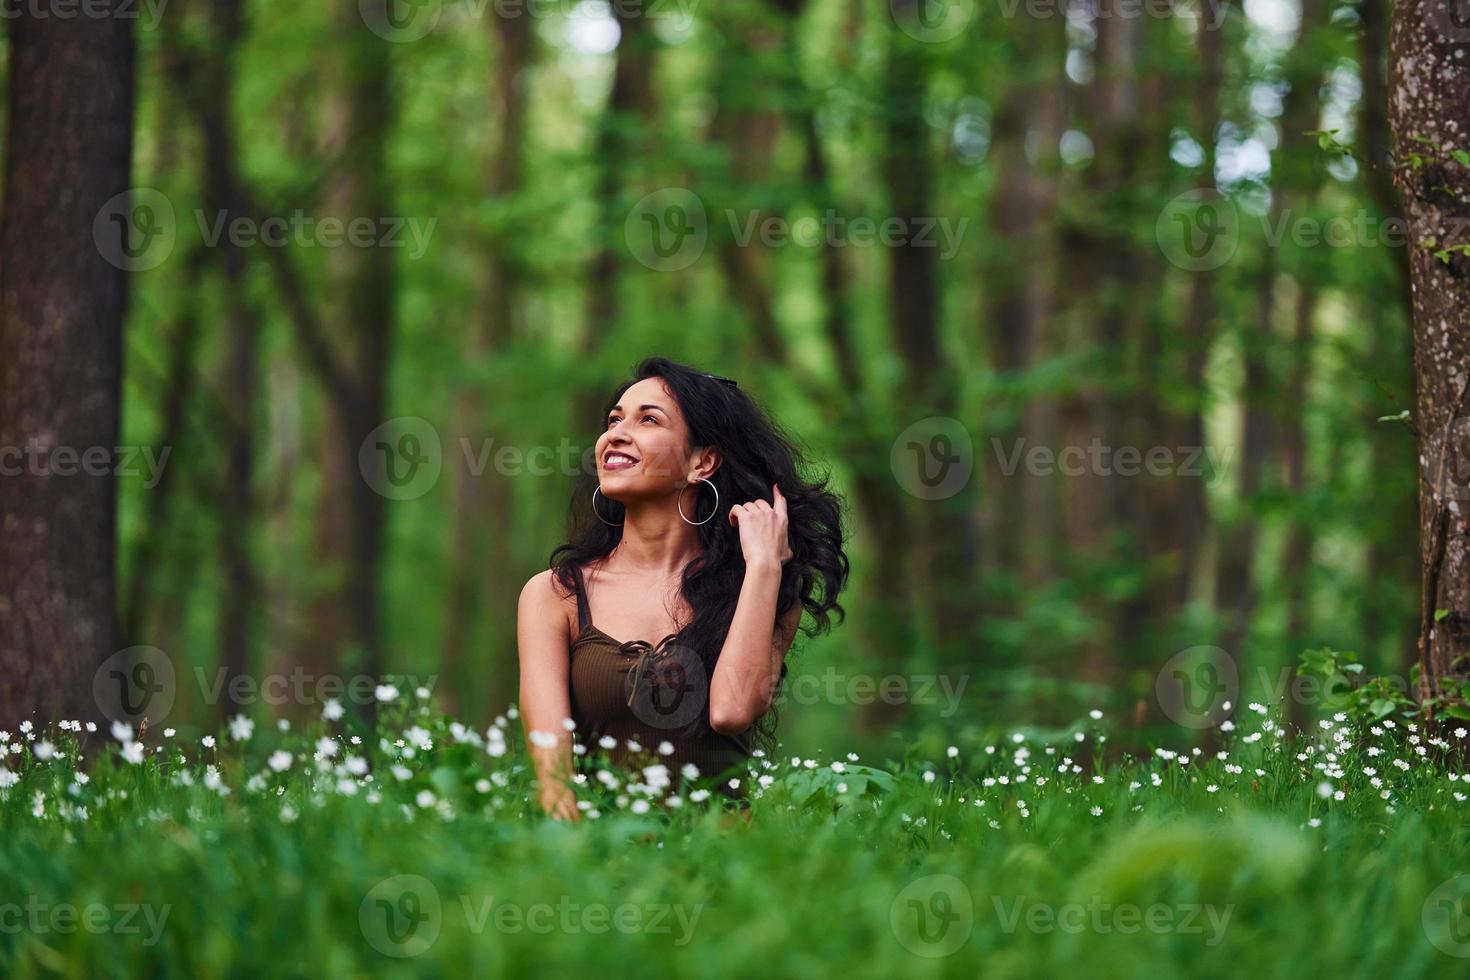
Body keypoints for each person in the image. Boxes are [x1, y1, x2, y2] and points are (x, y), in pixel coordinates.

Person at [517, 357, 850, 821]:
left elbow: (732, 712)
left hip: (726, 866)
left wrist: (764, 568)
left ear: (702, 462)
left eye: (648, 419)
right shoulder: (556, 595)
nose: (616, 432)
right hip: (601, 863)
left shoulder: (763, 585)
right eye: (614, 419)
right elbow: (552, 782)